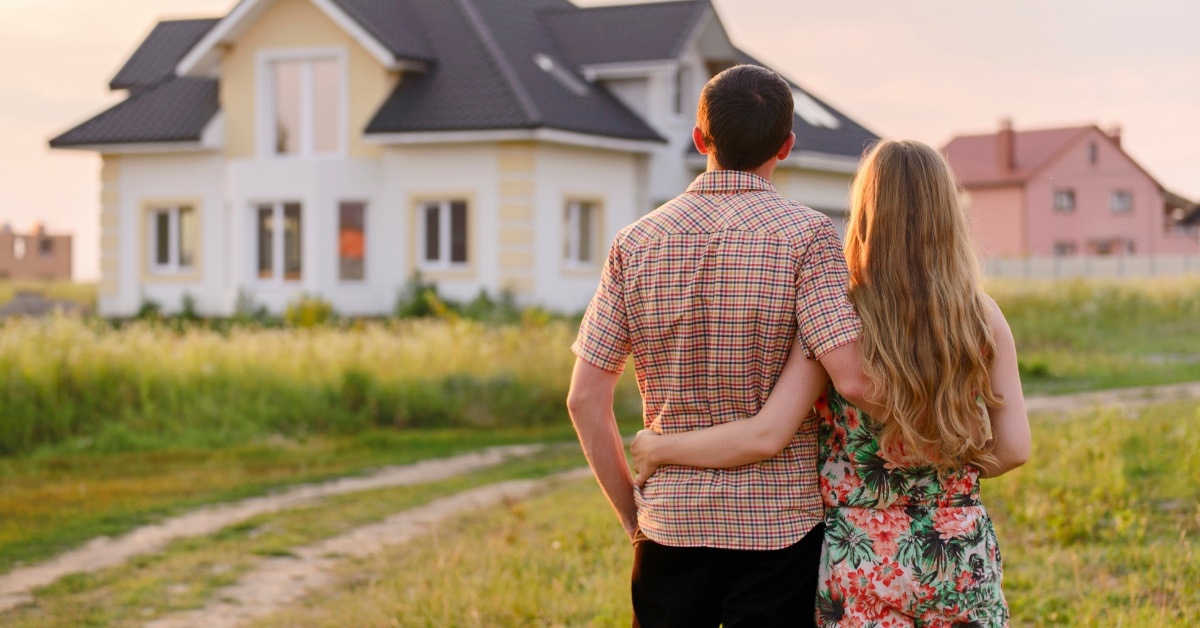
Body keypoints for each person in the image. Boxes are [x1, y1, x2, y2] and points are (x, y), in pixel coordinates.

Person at [630, 139, 1032, 627]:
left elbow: (765, 433)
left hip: (861, 559)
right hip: (958, 551)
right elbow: (1013, 449)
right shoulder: (982, 317)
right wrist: (946, 478)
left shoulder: (836, 319)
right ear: (947, 215)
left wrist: (660, 449)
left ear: (865, 213)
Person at [566, 64, 878, 627]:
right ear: (786, 145)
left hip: (669, 525)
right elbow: (851, 378)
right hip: (778, 528)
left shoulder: (633, 243)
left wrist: (634, 517)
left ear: (699, 138)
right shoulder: (808, 237)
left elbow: (585, 399)